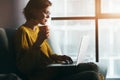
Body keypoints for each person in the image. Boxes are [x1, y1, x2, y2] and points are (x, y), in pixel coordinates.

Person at [14, 0, 104, 80]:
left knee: (92, 66)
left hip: (54, 70)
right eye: (46, 12)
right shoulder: (23, 32)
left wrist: (59, 57)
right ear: (32, 11)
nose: (48, 16)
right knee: (92, 76)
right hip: (44, 76)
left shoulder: (38, 29)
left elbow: (48, 55)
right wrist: (38, 42)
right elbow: (23, 67)